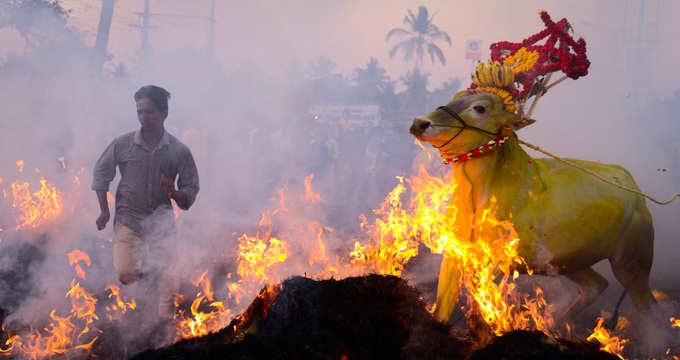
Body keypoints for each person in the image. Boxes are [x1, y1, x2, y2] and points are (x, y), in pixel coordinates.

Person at [91, 85, 199, 317]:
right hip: (128, 218)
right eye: (139, 112)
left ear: (164, 113)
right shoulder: (122, 144)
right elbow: (101, 174)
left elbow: (190, 190)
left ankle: (164, 327)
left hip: (161, 222)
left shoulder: (179, 151)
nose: (143, 117)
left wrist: (175, 193)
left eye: (149, 112)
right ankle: (150, 276)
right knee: (125, 274)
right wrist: (104, 211)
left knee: (169, 281)